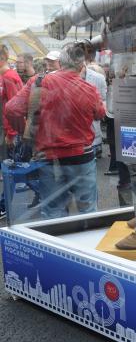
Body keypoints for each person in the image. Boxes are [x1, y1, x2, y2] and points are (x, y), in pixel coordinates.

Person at [46, 0, 136, 250]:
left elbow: (87, 6)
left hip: (132, 75)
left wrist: (61, 18)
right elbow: (118, 35)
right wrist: (91, 46)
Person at [5, 42, 106, 219]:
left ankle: (55, 245)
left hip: (49, 158)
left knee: (53, 212)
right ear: (81, 66)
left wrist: (23, 131)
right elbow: (100, 114)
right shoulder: (89, 89)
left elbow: (12, 109)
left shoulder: (38, 82)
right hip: (81, 157)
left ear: (61, 62)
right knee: (87, 211)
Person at [0, 45, 24, 218]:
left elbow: (15, 108)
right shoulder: (4, 76)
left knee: (11, 169)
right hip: (5, 130)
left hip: (9, 132)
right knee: (11, 168)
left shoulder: (9, 77)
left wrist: (11, 133)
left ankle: (4, 205)